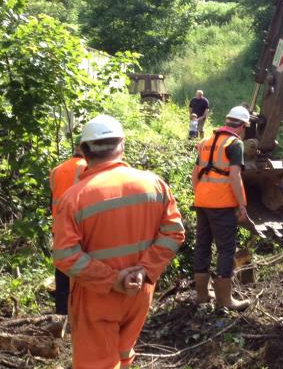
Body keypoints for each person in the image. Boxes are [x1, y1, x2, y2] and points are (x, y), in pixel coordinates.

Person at [52, 114, 185, 369]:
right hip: (140, 291)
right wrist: (144, 270)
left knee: (97, 363)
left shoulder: (75, 198)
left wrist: (113, 280)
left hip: (97, 296)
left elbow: (65, 255)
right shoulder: (154, 184)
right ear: (122, 145)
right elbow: (174, 233)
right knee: (124, 353)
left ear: (84, 151)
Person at [191, 105, 252, 311]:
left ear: (227, 121)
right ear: (242, 126)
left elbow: (195, 174)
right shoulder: (235, 144)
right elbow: (234, 176)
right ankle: (225, 300)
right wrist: (242, 203)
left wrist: (200, 195)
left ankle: (202, 295)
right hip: (222, 205)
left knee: (202, 245)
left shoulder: (206, 141)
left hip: (202, 202)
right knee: (226, 250)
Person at [48, 137, 87, 316]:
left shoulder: (56, 170)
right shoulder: (87, 167)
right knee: (82, 269)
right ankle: (79, 312)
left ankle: (61, 313)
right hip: (80, 225)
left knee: (62, 269)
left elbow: (52, 201)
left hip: (59, 227)